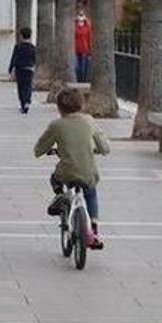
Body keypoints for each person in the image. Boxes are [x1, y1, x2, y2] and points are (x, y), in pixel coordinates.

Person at [34, 88, 110, 249]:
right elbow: (105, 148)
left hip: (66, 173)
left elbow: (39, 149)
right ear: (81, 105)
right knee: (91, 193)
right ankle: (94, 229)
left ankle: (61, 196)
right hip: (88, 172)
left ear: (59, 107)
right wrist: (97, 149)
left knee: (54, 178)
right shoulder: (89, 121)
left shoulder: (57, 125)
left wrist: (44, 150)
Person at [9, 27, 38, 114]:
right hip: (29, 69)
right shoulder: (32, 47)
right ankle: (27, 101)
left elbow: (14, 58)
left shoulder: (18, 47)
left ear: (21, 36)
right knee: (28, 86)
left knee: (21, 87)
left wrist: (11, 69)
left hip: (20, 69)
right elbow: (34, 59)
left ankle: (23, 103)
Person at [74, 8, 92, 83]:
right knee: (77, 67)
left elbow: (89, 38)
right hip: (76, 49)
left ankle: (83, 81)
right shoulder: (75, 26)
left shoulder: (87, 26)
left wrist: (90, 50)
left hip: (85, 50)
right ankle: (78, 80)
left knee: (83, 67)